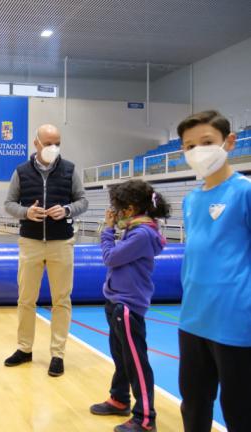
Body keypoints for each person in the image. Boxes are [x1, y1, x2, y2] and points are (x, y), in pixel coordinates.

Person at [176, 110, 251, 432]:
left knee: (239, 410)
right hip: (193, 318)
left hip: (234, 320)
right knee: (193, 403)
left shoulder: (245, 192)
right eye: (189, 146)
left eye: (206, 142)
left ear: (228, 142)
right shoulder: (191, 200)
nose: (198, 152)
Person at [3, 123, 88, 376]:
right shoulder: (21, 171)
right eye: (48, 142)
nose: (53, 147)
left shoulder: (70, 170)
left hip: (61, 243)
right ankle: (24, 349)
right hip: (30, 242)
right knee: (26, 299)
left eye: (57, 143)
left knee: (61, 300)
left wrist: (67, 210)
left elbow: (82, 201)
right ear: (36, 143)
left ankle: (57, 354)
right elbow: (9, 203)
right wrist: (26, 212)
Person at [90, 180, 169, 432]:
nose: (116, 211)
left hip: (127, 305)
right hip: (116, 301)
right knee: (121, 358)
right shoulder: (134, 229)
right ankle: (119, 398)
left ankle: (146, 418)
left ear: (131, 208)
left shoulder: (142, 234)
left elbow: (110, 257)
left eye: (120, 207)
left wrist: (107, 230)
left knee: (136, 361)